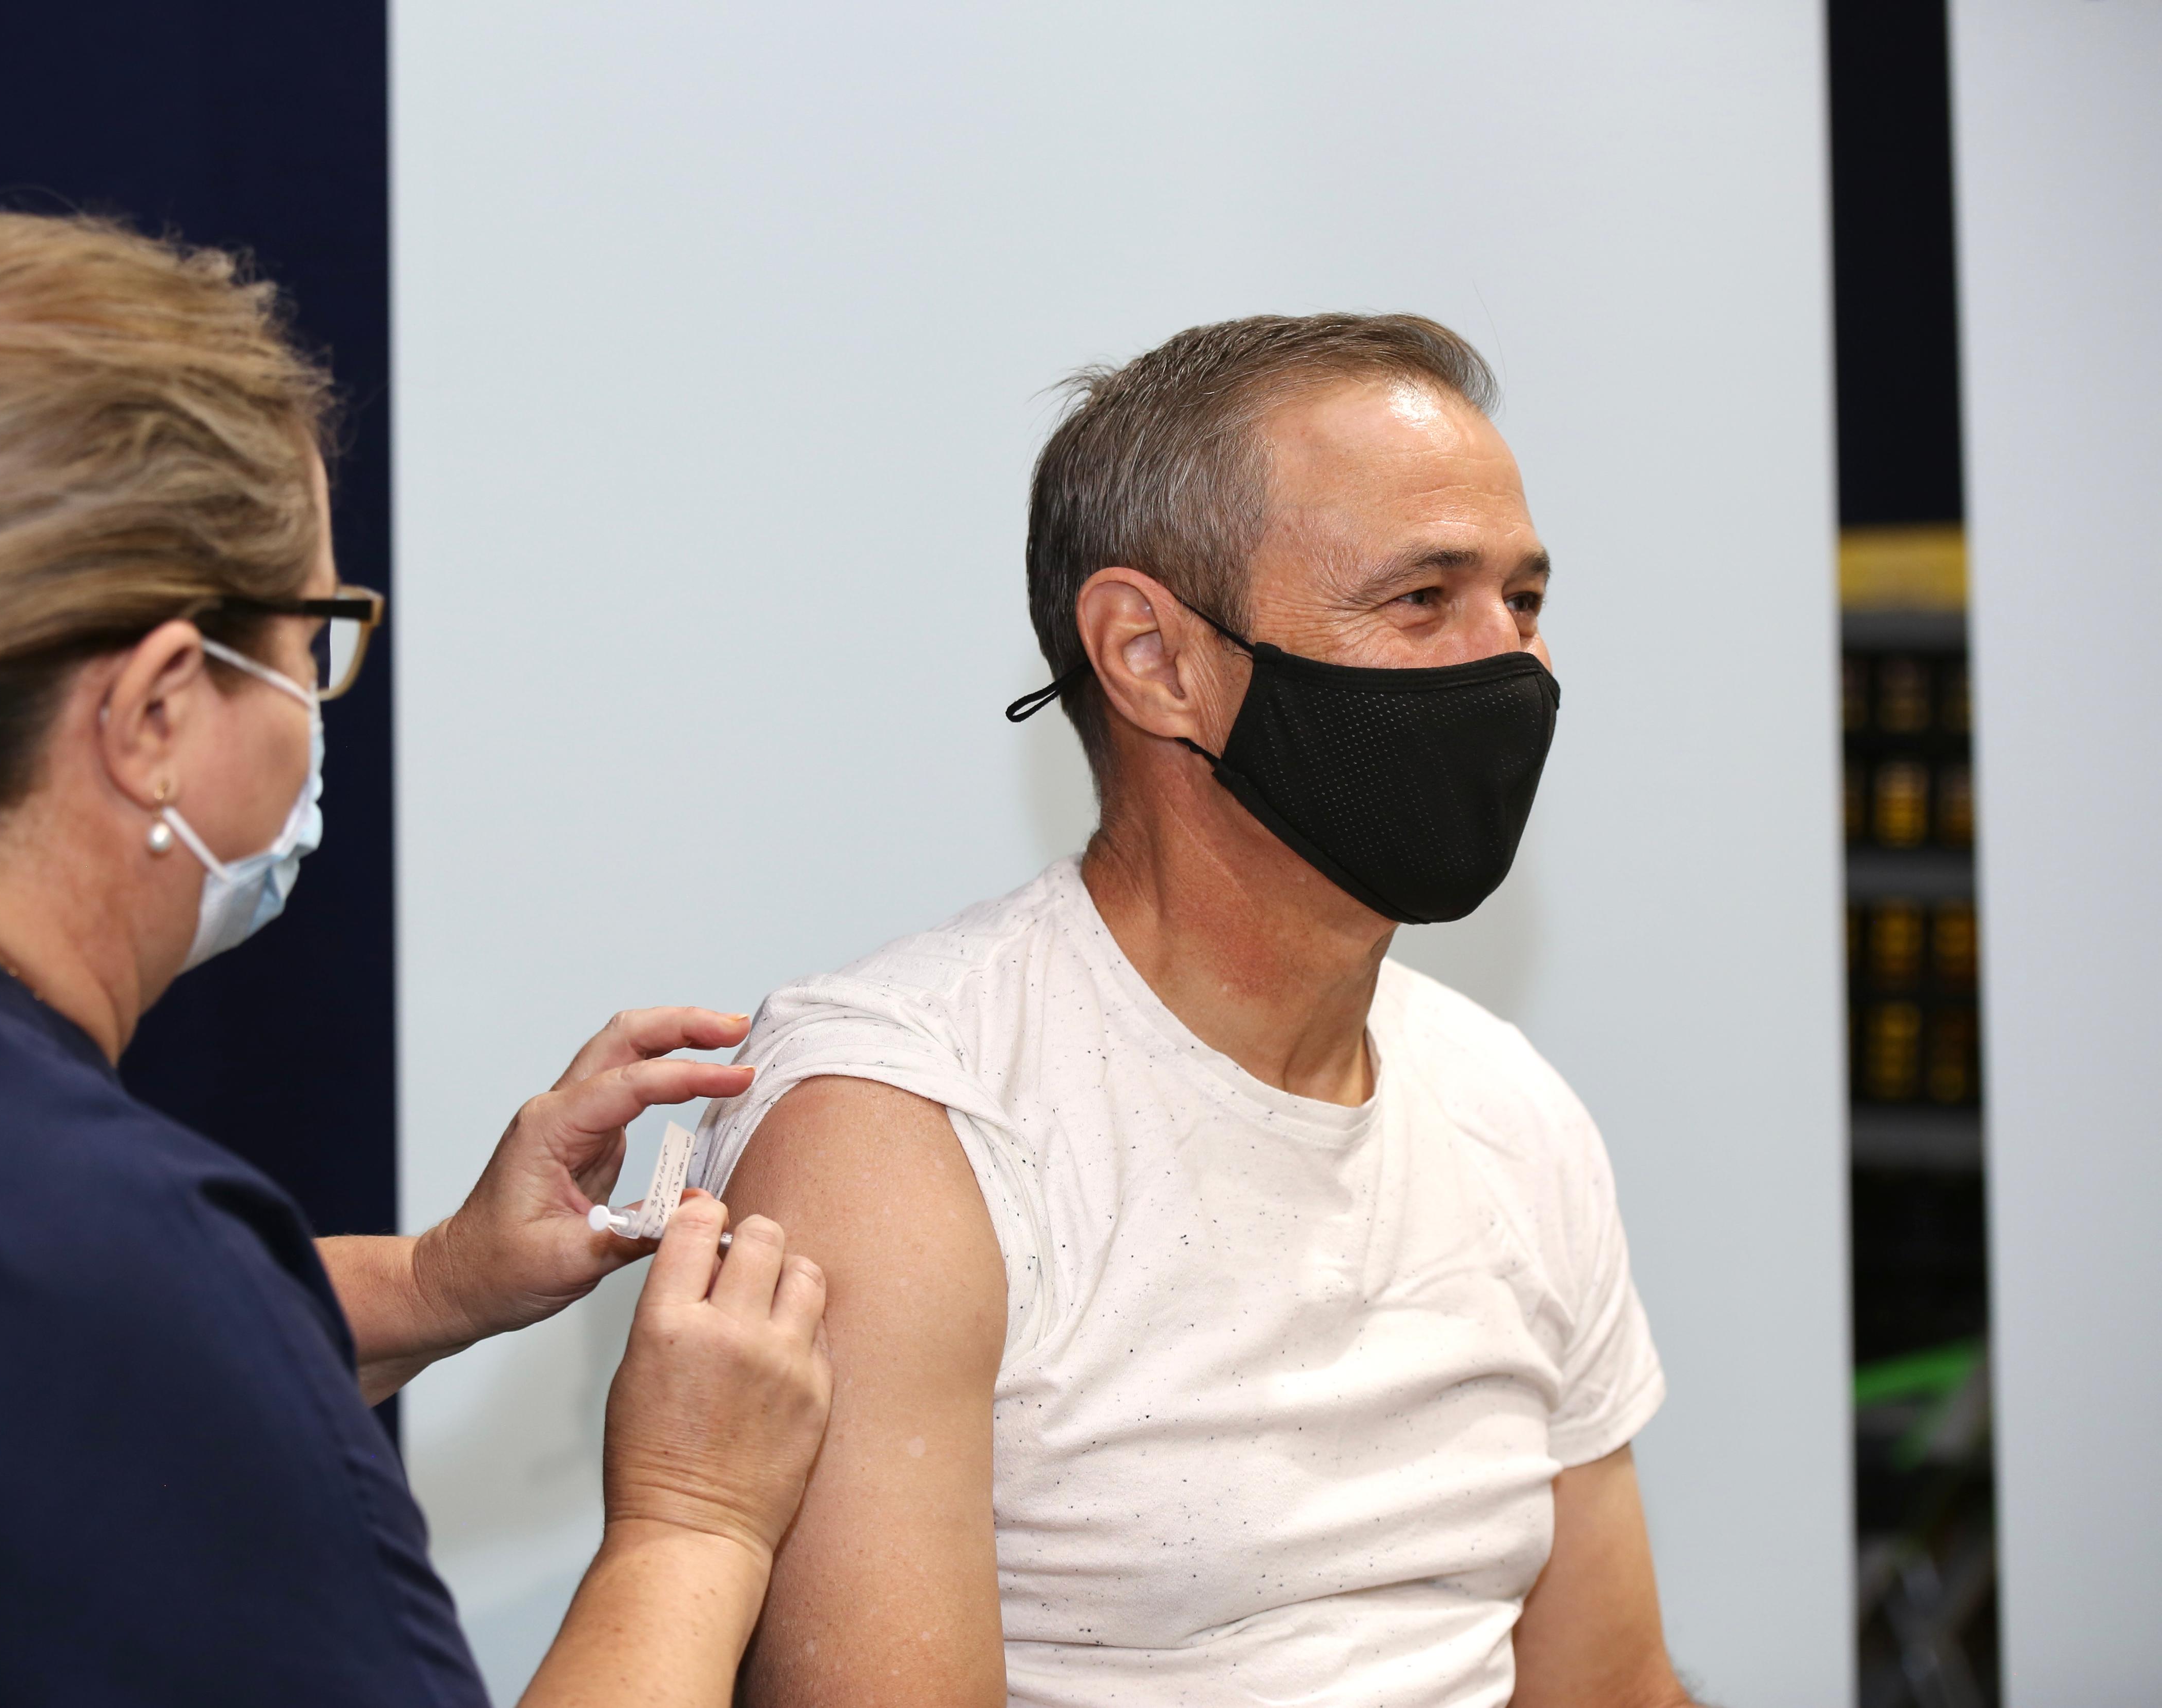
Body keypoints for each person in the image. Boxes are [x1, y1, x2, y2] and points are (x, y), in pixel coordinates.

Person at [0, 212, 829, 1708]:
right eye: (315, 640)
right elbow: (108, 1354)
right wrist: (694, 1521)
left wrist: (442, 1282)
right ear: (160, 711)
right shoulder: (92, 1248)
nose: (322, 707)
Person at [695, 316, 1695, 1706]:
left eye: (1523, 601)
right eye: (1423, 600)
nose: (1509, 665)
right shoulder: (907, 1133)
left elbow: (1612, 1691)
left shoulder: (1507, 1106)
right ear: (1153, 658)